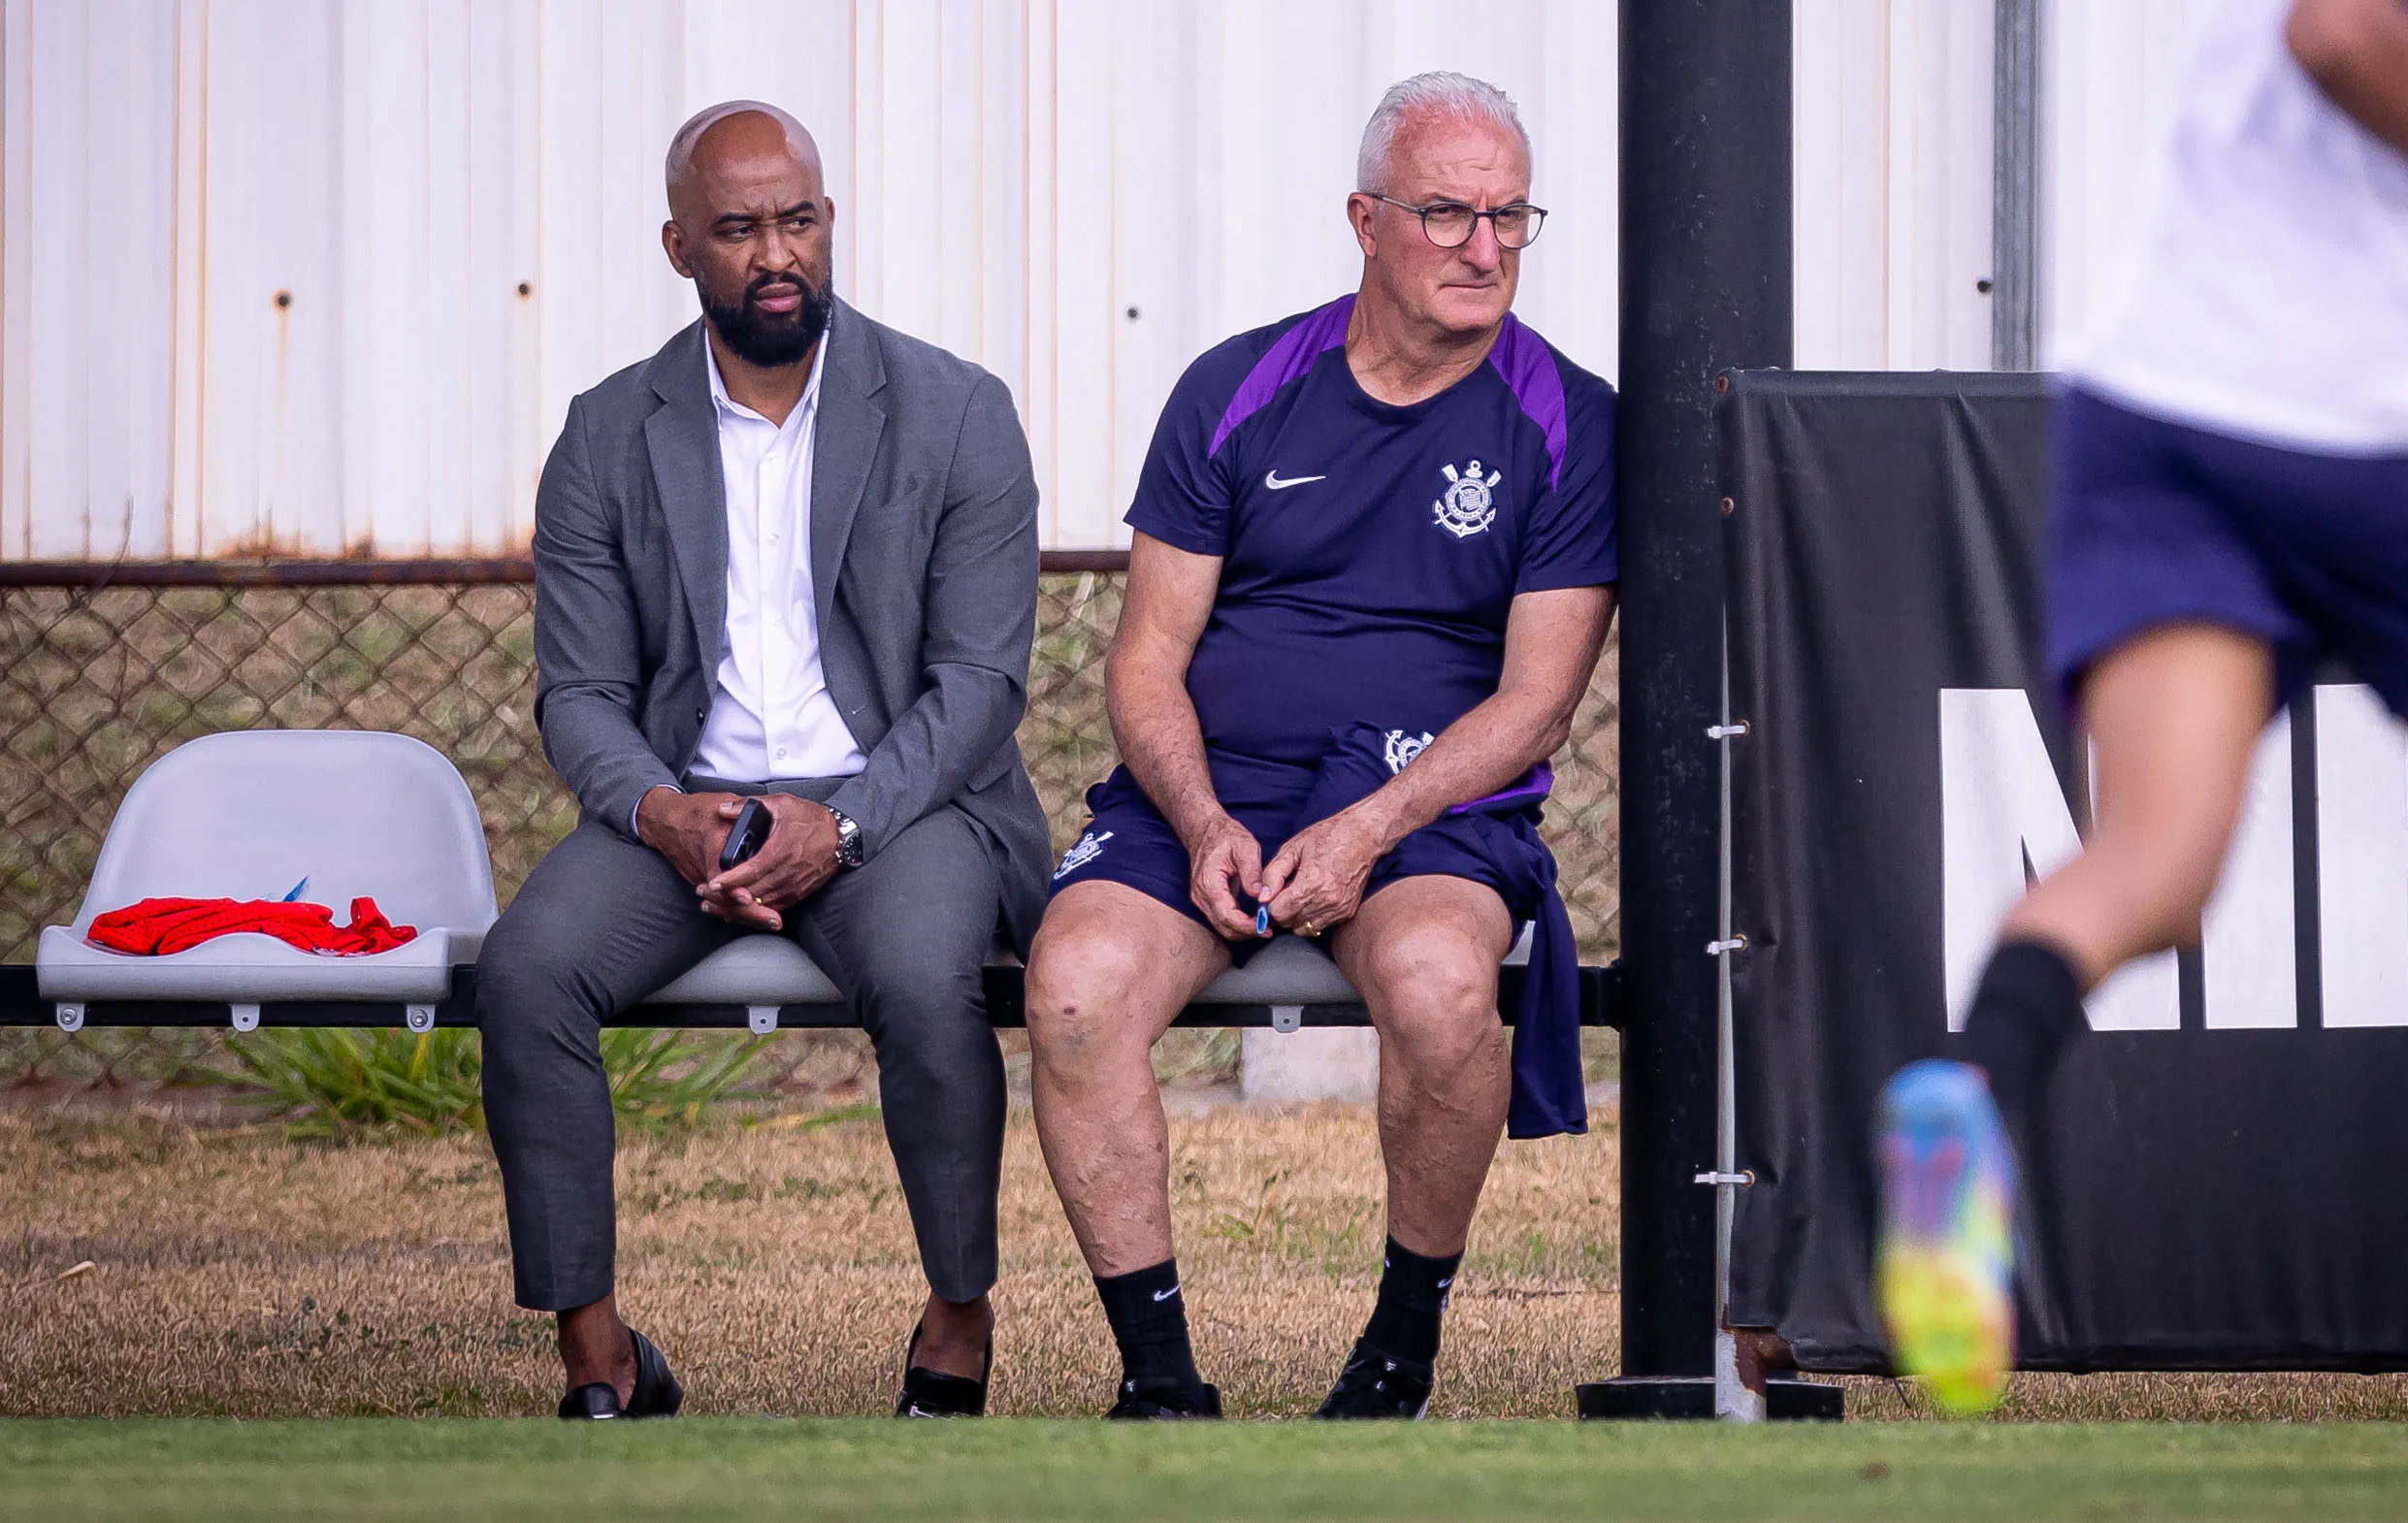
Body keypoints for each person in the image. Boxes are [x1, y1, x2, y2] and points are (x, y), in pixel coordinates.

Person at [1873, 0, 2408, 1490]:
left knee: (2155, 858)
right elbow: (2345, 39)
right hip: (2377, 443)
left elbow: (2403, 149)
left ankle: (1974, 1081)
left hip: (2160, 421)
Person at [1024, 72, 1615, 1420]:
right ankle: (1161, 1381)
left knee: (1441, 985)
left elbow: (1536, 702)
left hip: (1426, 806)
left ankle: (1399, 1353)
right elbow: (1146, 658)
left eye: (1512, 216)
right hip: (1212, 796)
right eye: (1450, 214)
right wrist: (1199, 818)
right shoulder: (1238, 386)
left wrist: (1369, 827)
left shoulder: (1571, 418)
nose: (1486, 249)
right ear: (1364, 219)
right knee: (1071, 990)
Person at [478, 101, 1050, 1420]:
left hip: (900, 808)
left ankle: (957, 1322)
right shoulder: (609, 432)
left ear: (829, 221)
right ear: (681, 246)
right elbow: (579, 692)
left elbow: (979, 687)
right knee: (528, 970)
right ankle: (601, 1356)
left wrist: (837, 830)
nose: (775, 252)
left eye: (797, 219)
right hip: (690, 814)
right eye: (738, 229)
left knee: (923, 976)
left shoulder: (957, 412)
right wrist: (663, 811)